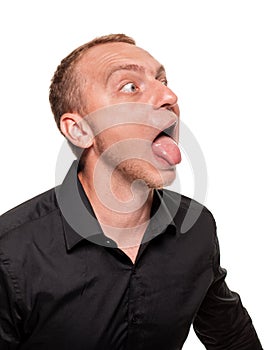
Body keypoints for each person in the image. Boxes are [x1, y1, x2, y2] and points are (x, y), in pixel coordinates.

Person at [0, 34, 262, 350]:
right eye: (130, 87)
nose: (169, 95)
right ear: (80, 130)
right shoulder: (12, 253)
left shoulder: (197, 229)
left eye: (163, 81)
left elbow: (231, 337)